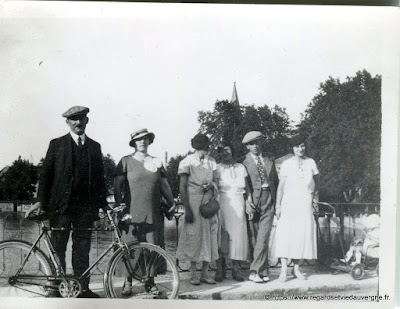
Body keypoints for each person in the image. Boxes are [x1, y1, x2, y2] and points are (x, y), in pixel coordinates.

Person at [25, 106, 107, 298]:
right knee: (58, 248)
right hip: (60, 208)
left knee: (82, 250)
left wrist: (103, 205)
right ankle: (55, 288)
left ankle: (82, 289)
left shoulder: (95, 147)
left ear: (87, 121)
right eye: (74, 119)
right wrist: (40, 202)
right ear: (68, 122)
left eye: (82, 118)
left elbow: (99, 180)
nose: (78, 122)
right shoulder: (57, 144)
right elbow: (45, 176)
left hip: (85, 209)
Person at [113, 128, 176, 296]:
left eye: (145, 139)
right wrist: (119, 206)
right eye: (139, 139)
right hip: (131, 211)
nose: (142, 142)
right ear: (134, 142)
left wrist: (172, 202)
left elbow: (164, 185)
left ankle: (150, 281)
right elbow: (118, 186)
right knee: (130, 246)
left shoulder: (156, 161)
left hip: (153, 210)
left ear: (149, 141)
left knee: (152, 245)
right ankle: (128, 281)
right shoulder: (125, 161)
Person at [274, 135, 319, 282]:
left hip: (304, 204)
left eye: (302, 146)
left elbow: (315, 185)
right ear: (292, 148)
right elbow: (281, 187)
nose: (300, 149)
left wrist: (314, 203)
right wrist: (278, 205)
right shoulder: (287, 164)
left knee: (301, 236)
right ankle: (283, 270)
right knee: (286, 235)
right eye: (297, 146)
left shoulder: (311, 162)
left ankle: (297, 269)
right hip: (289, 204)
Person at [176, 133, 219, 285]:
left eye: (206, 146)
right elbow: (182, 186)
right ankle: (193, 274)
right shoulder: (187, 162)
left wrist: (211, 186)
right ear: (195, 147)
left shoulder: (211, 162)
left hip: (207, 200)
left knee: (209, 236)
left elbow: (215, 181)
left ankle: (205, 273)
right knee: (194, 237)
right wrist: (187, 209)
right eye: (201, 147)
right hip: (193, 200)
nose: (205, 150)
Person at [239, 131, 278, 283]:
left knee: (263, 237)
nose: (254, 146)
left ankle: (254, 271)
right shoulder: (243, 161)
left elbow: (276, 181)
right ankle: (263, 270)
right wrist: (247, 203)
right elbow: (243, 185)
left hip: (269, 198)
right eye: (251, 144)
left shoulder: (270, 158)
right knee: (254, 238)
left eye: (257, 142)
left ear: (261, 143)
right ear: (247, 147)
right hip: (253, 201)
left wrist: (278, 202)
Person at [215, 142, 250, 282]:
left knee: (237, 236)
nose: (225, 153)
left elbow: (247, 189)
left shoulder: (241, 167)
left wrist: (249, 202)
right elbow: (214, 186)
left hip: (239, 202)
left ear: (232, 150)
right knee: (221, 234)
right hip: (223, 202)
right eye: (222, 151)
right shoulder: (217, 168)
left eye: (227, 149)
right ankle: (220, 269)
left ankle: (235, 270)